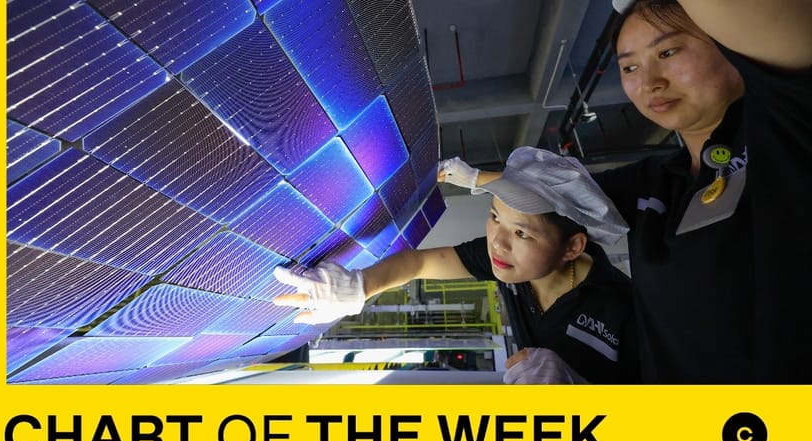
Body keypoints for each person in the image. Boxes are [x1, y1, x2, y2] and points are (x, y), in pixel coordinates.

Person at [445, 0, 812, 382]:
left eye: (668, 52)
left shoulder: (788, 124)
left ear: (731, 43)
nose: (649, 81)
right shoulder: (655, 182)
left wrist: (474, 178)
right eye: (629, 66)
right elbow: (548, 194)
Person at [272, 147, 639, 383]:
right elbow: (418, 263)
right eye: (495, 216)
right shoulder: (509, 263)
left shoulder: (624, 310)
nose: (498, 241)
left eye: (522, 234)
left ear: (572, 247)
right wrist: (360, 286)